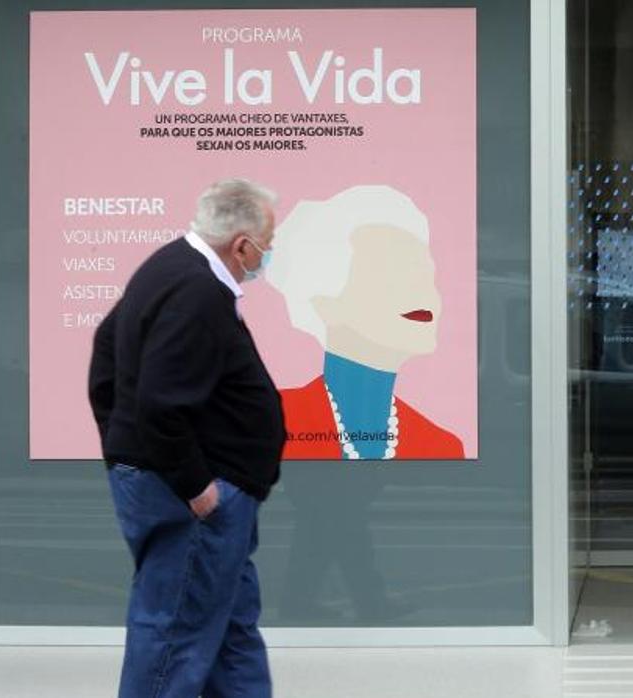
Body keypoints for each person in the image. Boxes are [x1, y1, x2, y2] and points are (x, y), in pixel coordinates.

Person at [88, 178, 285, 697]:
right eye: (270, 242)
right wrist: (197, 487)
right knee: (174, 636)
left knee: (231, 633)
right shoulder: (197, 288)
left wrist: (120, 441)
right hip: (195, 496)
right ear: (243, 244)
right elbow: (159, 401)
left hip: (197, 489)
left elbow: (106, 349)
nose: (269, 254)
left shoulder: (170, 265)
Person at [265, 184, 464, 460]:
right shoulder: (267, 421)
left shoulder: (442, 446)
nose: (423, 292)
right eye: (394, 275)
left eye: (426, 275)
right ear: (324, 300)